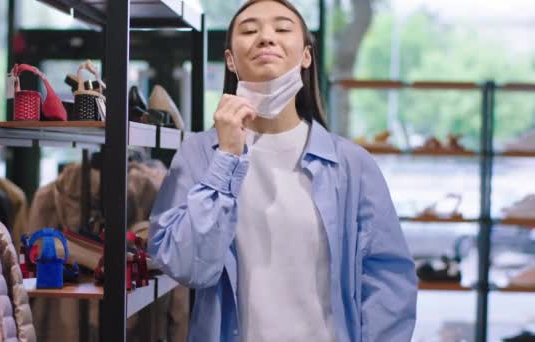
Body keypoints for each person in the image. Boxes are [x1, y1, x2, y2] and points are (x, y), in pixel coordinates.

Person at [148, 0, 418, 341]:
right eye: (249, 30)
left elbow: (389, 282)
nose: (265, 37)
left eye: (282, 28)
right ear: (230, 60)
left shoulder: (352, 165)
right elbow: (187, 265)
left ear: (305, 56)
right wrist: (227, 156)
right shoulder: (198, 155)